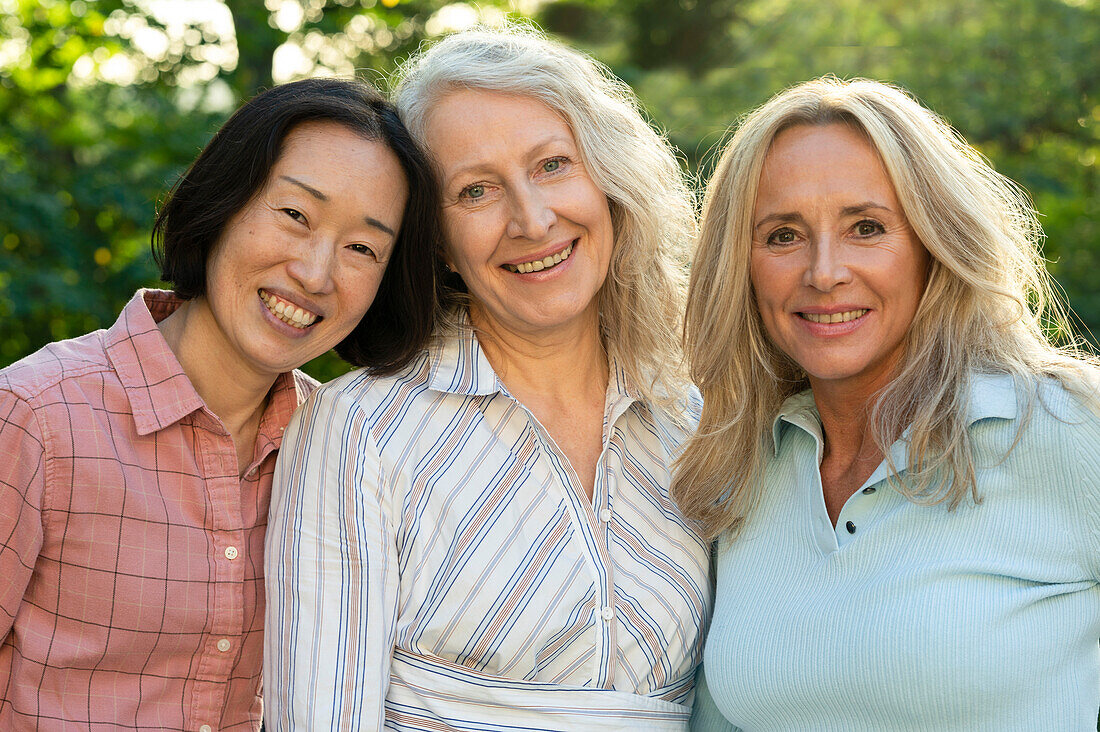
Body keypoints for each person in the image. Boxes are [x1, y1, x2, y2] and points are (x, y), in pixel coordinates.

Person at [264, 26, 711, 730]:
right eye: (476, 190)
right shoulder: (364, 429)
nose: (532, 220)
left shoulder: (694, 418)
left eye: (553, 165)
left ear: (609, 178)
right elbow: (320, 715)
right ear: (436, 243)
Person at [0, 77, 440, 730]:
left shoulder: (345, 452)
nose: (317, 274)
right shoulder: (36, 418)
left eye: (362, 248)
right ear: (225, 203)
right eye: (295, 215)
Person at [676, 76, 1100, 731]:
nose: (824, 271)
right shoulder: (737, 468)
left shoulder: (1068, 429)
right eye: (783, 235)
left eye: (866, 227)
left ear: (932, 243)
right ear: (743, 264)